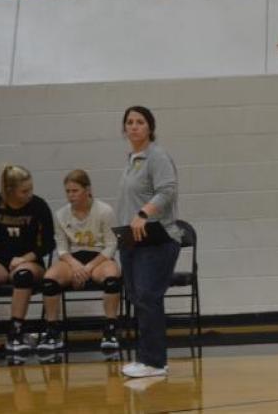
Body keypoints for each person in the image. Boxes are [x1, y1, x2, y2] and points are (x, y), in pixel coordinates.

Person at [117, 106, 181, 379]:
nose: (134, 127)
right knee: (139, 298)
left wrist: (144, 213)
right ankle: (147, 358)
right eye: (129, 122)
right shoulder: (133, 158)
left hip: (157, 239)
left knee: (148, 297)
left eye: (140, 122)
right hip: (133, 240)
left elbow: (167, 190)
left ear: (150, 127)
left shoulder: (157, 156)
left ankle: (154, 362)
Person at [0, 164, 55, 353]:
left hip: (31, 263)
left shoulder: (38, 206)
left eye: (31, 189)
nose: (29, 194)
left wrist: (26, 258)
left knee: (22, 275)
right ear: (10, 191)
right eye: (24, 191)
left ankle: (16, 331)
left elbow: (49, 243)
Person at [37, 169, 122, 351]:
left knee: (112, 278)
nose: (70, 195)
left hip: (99, 257)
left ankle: (110, 329)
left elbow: (111, 244)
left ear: (87, 190)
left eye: (75, 191)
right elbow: (61, 247)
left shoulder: (105, 211)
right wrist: (75, 266)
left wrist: (89, 267)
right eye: (67, 191)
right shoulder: (60, 214)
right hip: (73, 258)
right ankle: (53, 330)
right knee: (49, 279)